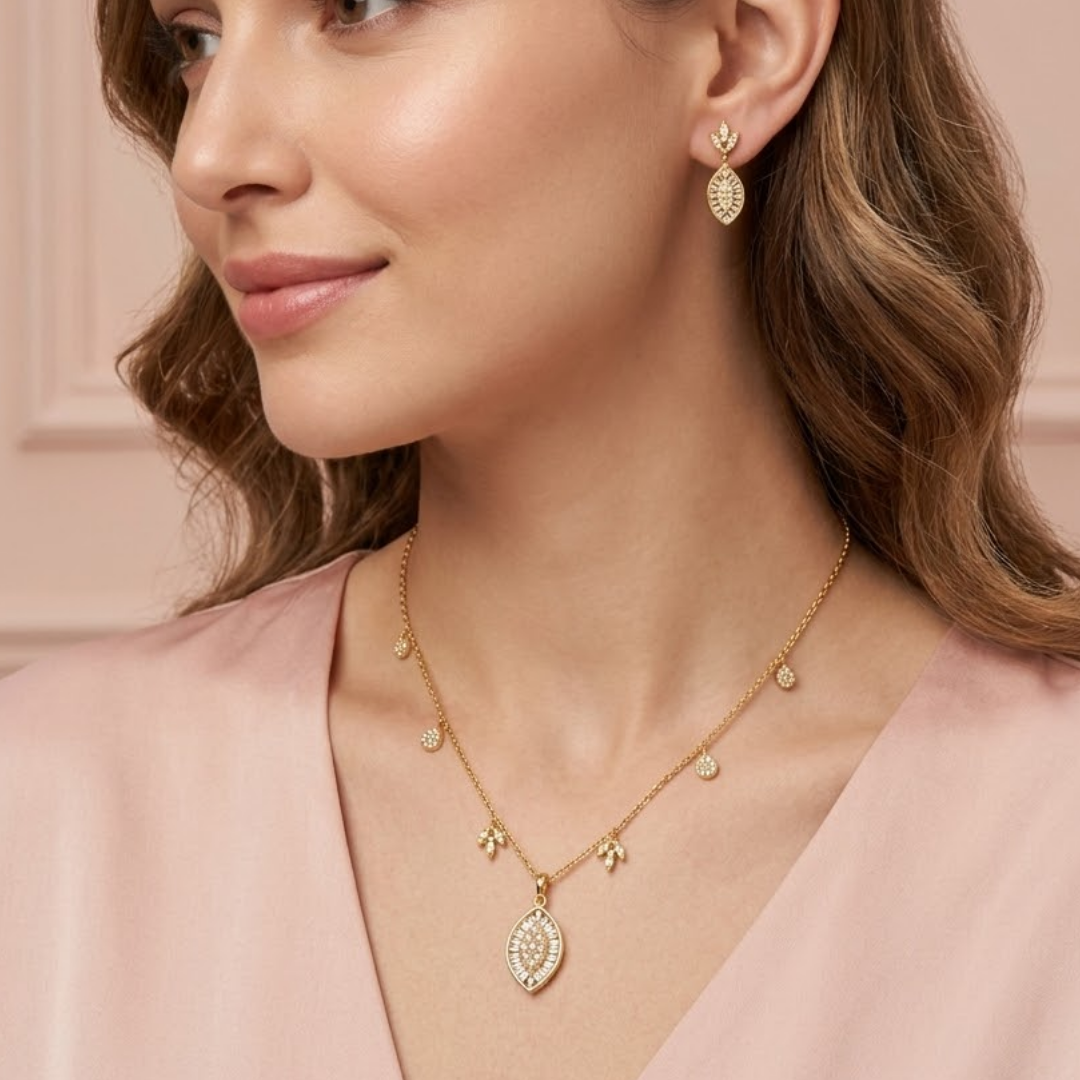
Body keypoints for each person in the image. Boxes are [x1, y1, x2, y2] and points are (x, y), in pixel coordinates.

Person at [2, 0, 1079, 1075]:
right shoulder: (47, 804)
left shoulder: (1045, 840)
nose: (208, 156)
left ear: (740, 51)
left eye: (360, 7)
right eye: (195, 40)